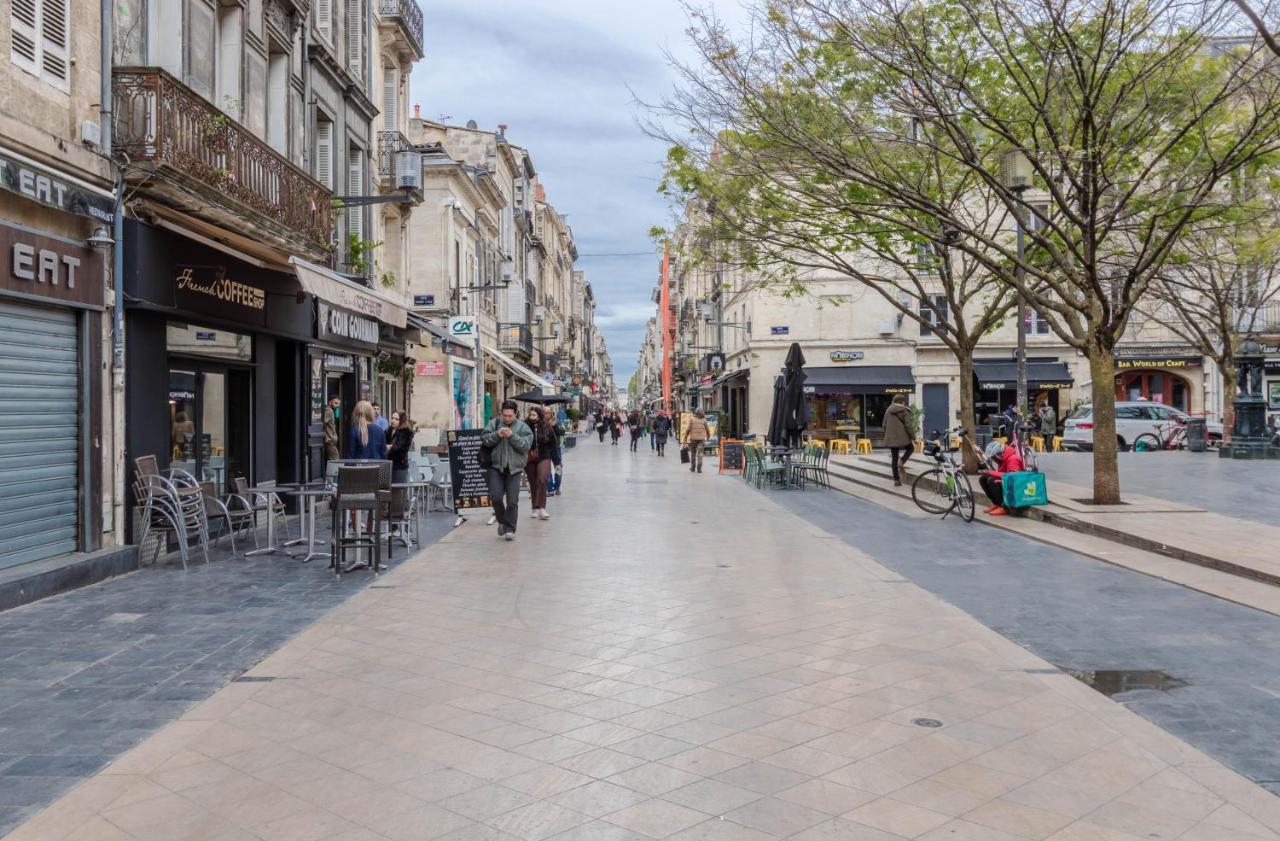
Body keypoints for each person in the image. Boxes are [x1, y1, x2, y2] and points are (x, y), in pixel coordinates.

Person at [481, 400, 532, 540]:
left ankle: (510, 529)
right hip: (496, 467)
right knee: (496, 497)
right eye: (504, 415)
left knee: (512, 500)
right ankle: (503, 521)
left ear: (516, 414)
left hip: (514, 469)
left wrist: (512, 436)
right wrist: (497, 435)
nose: (507, 418)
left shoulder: (523, 427)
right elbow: (485, 440)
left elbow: (525, 446)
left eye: (510, 416)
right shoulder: (494, 424)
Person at [979, 439, 1025, 516]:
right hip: (1007, 480)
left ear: (998, 455)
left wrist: (991, 472)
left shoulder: (1013, 459)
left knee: (992, 480)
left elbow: (1011, 476)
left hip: (1015, 485)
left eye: (993, 458)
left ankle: (1004, 507)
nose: (993, 460)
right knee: (983, 478)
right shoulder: (1002, 459)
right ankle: (996, 503)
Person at [882, 393, 915, 487]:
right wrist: (914, 437)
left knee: (894, 458)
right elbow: (908, 425)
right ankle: (902, 461)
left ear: (894, 401)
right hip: (902, 437)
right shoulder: (905, 411)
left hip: (891, 438)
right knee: (911, 448)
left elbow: (884, 425)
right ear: (902, 402)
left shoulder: (888, 410)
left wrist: (888, 434)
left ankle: (897, 480)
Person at [386, 410, 414, 484]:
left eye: (396, 419)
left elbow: (401, 449)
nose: (393, 420)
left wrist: (390, 447)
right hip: (388, 465)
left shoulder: (406, 432)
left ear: (402, 421)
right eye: (392, 418)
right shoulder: (389, 430)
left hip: (399, 466)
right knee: (386, 490)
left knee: (398, 491)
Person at [544, 407, 565, 496]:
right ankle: (550, 489)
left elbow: (562, 432)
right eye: (545, 412)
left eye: (549, 412)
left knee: (558, 467)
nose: (547, 414)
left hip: (556, 448)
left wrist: (555, 426)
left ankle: (557, 488)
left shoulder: (556, 421)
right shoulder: (541, 423)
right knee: (546, 468)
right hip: (545, 448)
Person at [323, 397, 340, 461]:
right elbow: (322, 422)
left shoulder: (334, 411)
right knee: (335, 458)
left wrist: (337, 409)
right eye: (335, 403)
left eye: (338, 404)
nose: (337, 405)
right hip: (330, 440)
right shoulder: (329, 411)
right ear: (330, 402)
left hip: (331, 439)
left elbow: (337, 416)